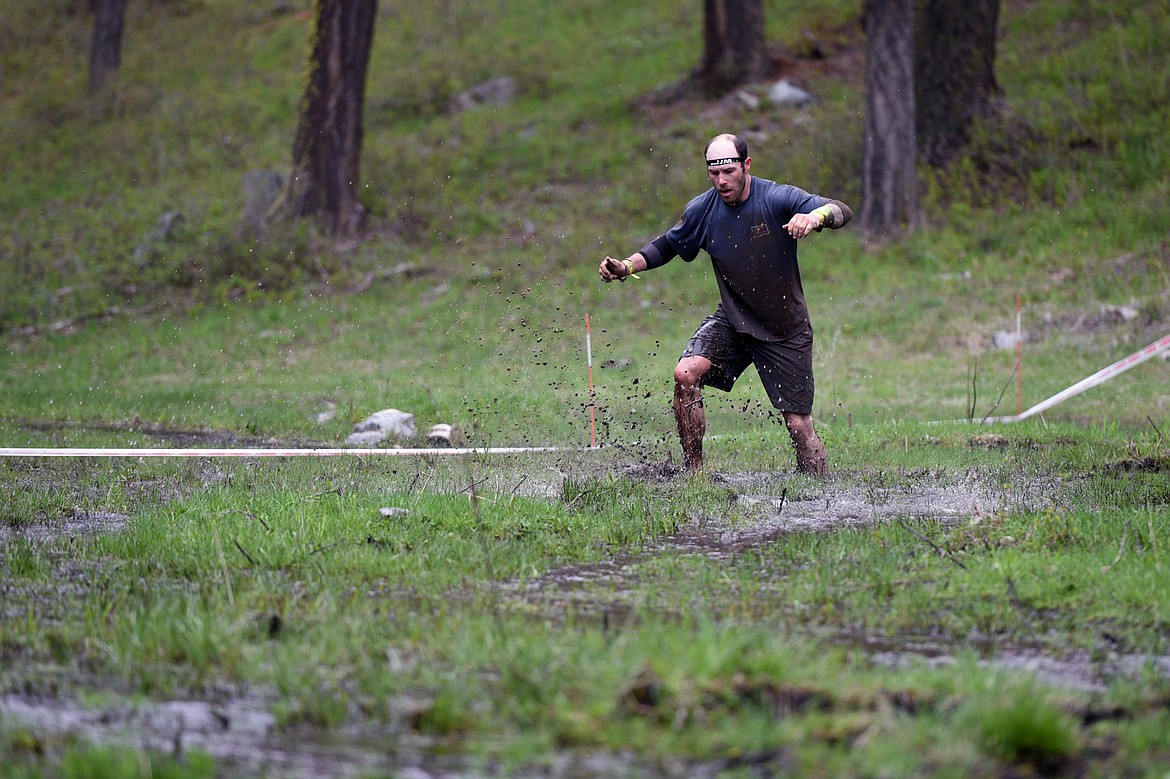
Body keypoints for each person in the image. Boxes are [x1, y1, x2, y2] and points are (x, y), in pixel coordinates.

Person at [599, 133, 852, 476]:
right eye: (714, 173)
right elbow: (668, 246)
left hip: (783, 329)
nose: (721, 181)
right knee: (685, 374)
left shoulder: (775, 198)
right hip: (734, 321)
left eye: (729, 171)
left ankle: (820, 491)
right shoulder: (702, 210)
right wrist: (627, 267)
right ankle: (695, 475)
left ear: (746, 165)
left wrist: (815, 217)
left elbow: (841, 209)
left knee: (797, 425)